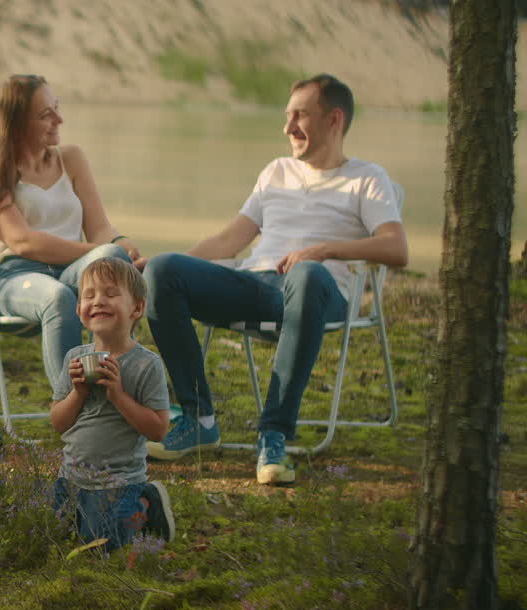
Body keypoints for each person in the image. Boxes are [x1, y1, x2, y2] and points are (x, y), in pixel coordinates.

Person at [138, 74, 408, 485]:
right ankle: (199, 419)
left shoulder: (367, 179)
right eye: (287, 116)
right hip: (258, 286)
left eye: (300, 116)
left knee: (307, 273)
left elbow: (396, 247)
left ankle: (274, 433)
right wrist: (164, 264)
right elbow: (230, 240)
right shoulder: (276, 172)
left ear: (334, 119)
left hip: (320, 292)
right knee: (163, 270)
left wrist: (323, 250)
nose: (288, 128)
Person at [0, 74, 140, 388]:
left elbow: (99, 228)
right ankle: (72, 403)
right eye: (47, 114)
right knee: (60, 295)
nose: (59, 119)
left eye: (57, 108)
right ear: (16, 125)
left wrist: (120, 244)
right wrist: (98, 253)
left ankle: (124, 385)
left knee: (115, 259)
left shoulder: (71, 159)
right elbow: (23, 242)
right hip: (12, 278)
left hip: (71, 273)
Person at [49, 256, 174, 548]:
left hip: (119, 481)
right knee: (53, 536)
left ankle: (146, 504)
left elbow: (158, 430)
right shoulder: (74, 358)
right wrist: (78, 393)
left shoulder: (146, 364)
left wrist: (118, 395)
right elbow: (58, 423)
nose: (98, 301)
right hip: (71, 477)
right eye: (89, 295)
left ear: (137, 308)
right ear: (79, 309)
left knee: (101, 544)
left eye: (111, 294)